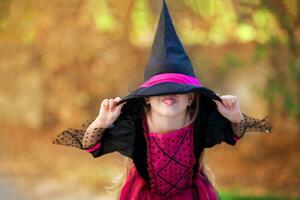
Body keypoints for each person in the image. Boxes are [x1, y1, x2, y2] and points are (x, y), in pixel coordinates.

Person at [51, 1, 272, 199]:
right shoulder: (133, 129)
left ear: (190, 99)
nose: (167, 94)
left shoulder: (201, 123)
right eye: (159, 90)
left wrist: (235, 117)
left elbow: (236, 132)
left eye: (176, 89)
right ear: (147, 100)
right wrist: (101, 123)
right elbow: (90, 145)